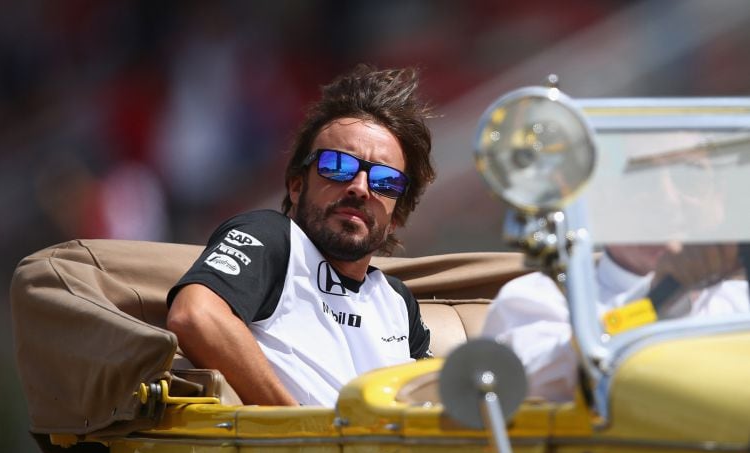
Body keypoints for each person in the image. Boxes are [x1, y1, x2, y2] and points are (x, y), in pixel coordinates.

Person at [166, 65, 434, 407]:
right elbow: (195, 316)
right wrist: (298, 429)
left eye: (386, 181)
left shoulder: (397, 300)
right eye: (338, 166)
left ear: (396, 215)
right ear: (296, 186)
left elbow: (430, 399)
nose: (359, 188)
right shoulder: (273, 239)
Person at [481, 243, 749, 402]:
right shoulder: (539, 297)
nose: (667, 200)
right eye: (640, 181)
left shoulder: (740, 300)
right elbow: (530, 386)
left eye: (687, 177)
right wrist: (658, 299)